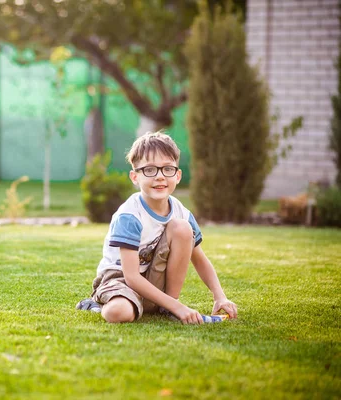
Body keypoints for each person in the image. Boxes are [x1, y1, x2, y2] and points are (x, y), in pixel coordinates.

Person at [76, 131, 237, 325]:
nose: (160, 177)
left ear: (177, 175)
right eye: (150, 170)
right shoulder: (130, 215)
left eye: (167, 169)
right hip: (121, 280)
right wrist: (179, 308)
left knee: (182, 228)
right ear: (135, 177)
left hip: (154, 279)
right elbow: (132, 277)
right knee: (118, 314)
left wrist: (220, 296)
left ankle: (167, 304)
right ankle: (97, 304)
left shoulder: (181, 213)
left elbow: (200, 259)